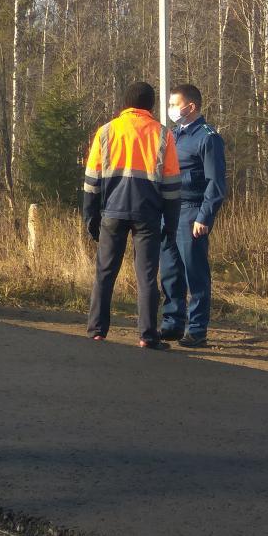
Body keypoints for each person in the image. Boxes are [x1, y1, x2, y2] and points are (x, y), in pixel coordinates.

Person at [83, 82, 181, 349]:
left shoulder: (105, 132)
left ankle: (97, 330)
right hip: (148, 213)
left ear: (125, 104)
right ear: (150, 106)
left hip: (112, 212)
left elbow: (92, 181)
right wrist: (170, 225)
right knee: (147, 275)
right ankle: (147, 336)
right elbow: (172, 185)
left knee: (104, 272)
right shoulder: (163, 135)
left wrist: (90, 217)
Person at [158, 84, 227, 348]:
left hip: (192, 212)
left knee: (194, 273)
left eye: (175, 104)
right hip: (170, 211)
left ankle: (197, 329)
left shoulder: (208, 138)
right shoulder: (173, 136)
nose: (172, 109)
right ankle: (172, 323)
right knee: (170, 270)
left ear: (191, 107)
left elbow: (216, 183)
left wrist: (204, 217)